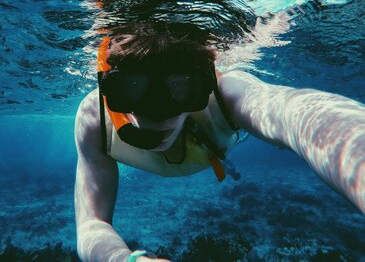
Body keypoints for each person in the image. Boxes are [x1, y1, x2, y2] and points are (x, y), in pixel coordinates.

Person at [74, 21, 365, 262]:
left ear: (204, 85)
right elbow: (90, 224)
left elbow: (303, 115)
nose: (158, 112)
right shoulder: (95, 119)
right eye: (132, 88)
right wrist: (125, 260)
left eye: (181, 88)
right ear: (110, 89)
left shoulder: (227, 93)